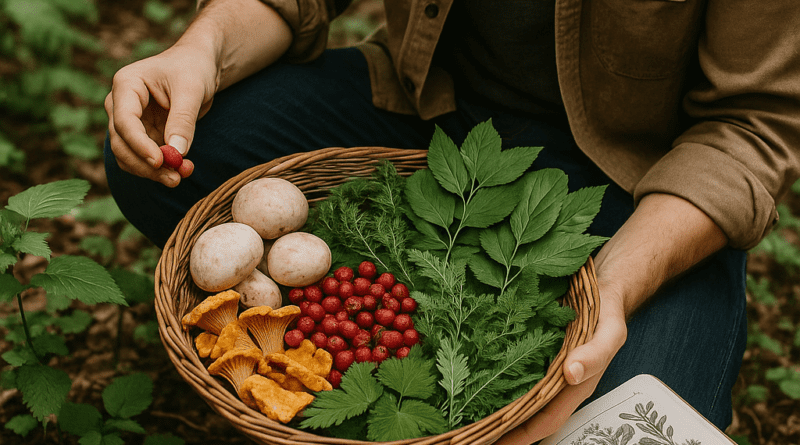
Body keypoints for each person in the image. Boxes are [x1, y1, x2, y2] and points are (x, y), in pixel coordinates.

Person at [104, 0, 800, 442]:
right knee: (193, 149)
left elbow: (750, 125)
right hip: (429, 114)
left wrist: (612, 289)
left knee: (622, 425)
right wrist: (201, 48)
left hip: (641, 186)